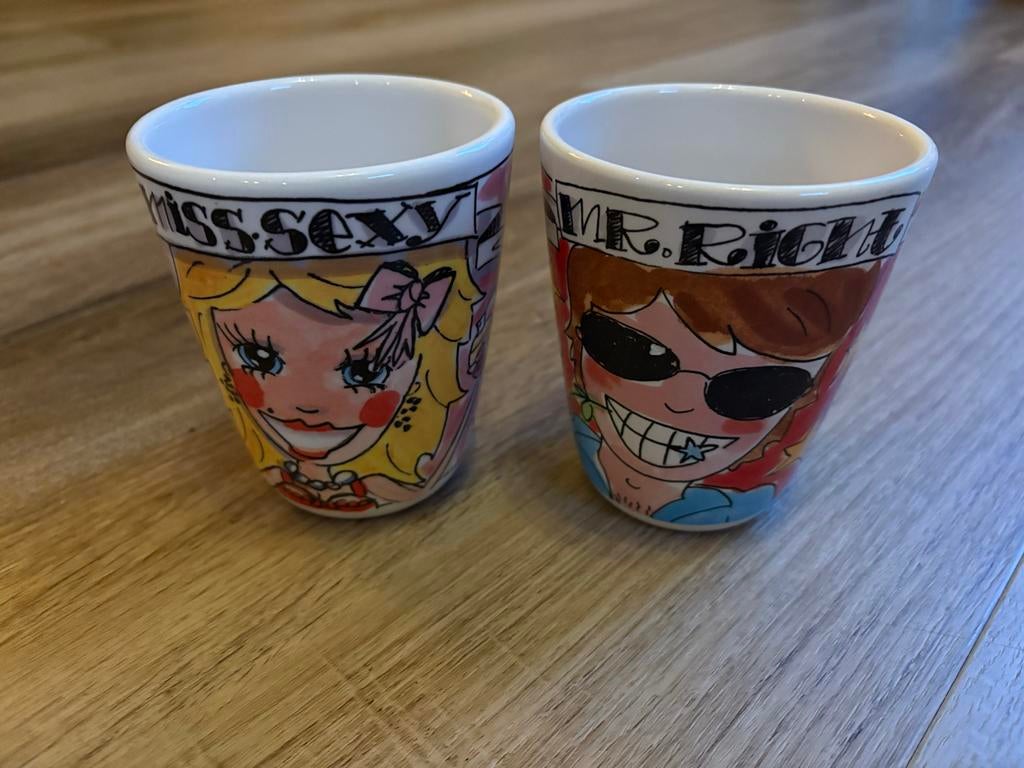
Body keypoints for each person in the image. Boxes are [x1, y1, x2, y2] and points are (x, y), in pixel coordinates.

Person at [554, 243, 888, 527]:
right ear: (577, 333)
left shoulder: (732, 501)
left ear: (802, 398)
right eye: (634, 351)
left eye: (748, 388)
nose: (679, 404)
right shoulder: (585, 439)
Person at [172, 241, 484, 514]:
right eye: (260, 358)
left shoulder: (401, 479)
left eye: (363, 373)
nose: (306, 404)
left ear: (426, 373)